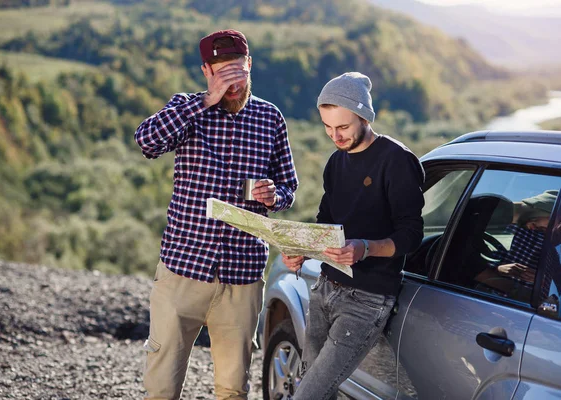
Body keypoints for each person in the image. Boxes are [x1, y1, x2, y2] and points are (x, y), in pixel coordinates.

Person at [134, 29, 298, 400]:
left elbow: (289, 186)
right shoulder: (186, 109)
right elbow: (146, 141)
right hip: (182, 270)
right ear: (206, 71)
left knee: (233, 390)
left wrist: (274, 194)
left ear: (250, 65)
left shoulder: (270, 118)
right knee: (161, 388)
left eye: (239, 72)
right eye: (223, 74)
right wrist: (206, 101)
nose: (234, 84)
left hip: (242, 278)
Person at [281, 72, 425, 399]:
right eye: (328, 128)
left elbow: (412, 234)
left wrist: (365, 249)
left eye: (343, 127)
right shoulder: (335, 163)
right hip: (325, 288)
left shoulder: (397, 161)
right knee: (316, 390)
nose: (335, 136)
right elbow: (326, 222)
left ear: (364, 117)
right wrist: (302, 249)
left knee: (309, 394)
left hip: (367, 300)